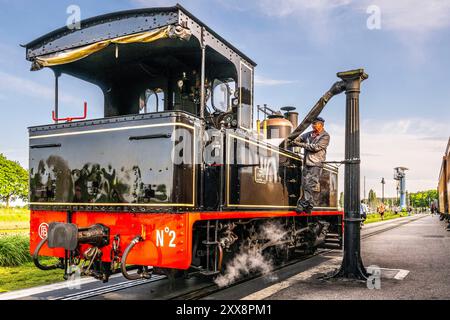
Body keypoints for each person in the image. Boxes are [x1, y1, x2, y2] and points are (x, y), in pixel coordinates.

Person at [290, 117, 330, 214]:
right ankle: (310, 205)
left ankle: (302, 204)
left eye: (315, 124)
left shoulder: (325, 136)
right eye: (312, 124)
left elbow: (315, 147)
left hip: (316, 163)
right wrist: (293, 139)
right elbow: (300, 138)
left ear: (321, 125)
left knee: (309, 185)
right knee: (305, 185)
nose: (312, 125)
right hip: (306, 162)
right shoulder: (308, 134)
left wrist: (300, 145)